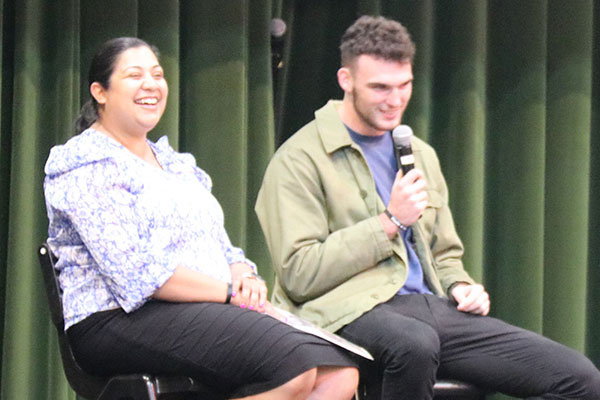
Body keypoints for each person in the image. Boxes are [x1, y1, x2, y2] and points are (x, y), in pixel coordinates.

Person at [255, 15, 600, 399]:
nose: (396, 100)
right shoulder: (300, 158)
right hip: (342, 311)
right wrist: (388, 223)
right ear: (345, 80)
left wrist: (461, 285)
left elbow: (445, 254)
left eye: (405, 85)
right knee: (414, 344)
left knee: (580, 379)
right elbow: (299, 275)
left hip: (432, 310)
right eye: (381, 88)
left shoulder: (419, 154)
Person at [43, 37, 359, 400]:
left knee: (339, 373)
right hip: (117, 317)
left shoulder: (175, 164)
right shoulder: (85, 162)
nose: (151, 84)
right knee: (294, 366)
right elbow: (137, 274)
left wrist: (242, 273)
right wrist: (228, 294)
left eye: (157, 74)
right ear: (100, 92)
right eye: (134, 75)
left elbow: (218, 244)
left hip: (198, 308)